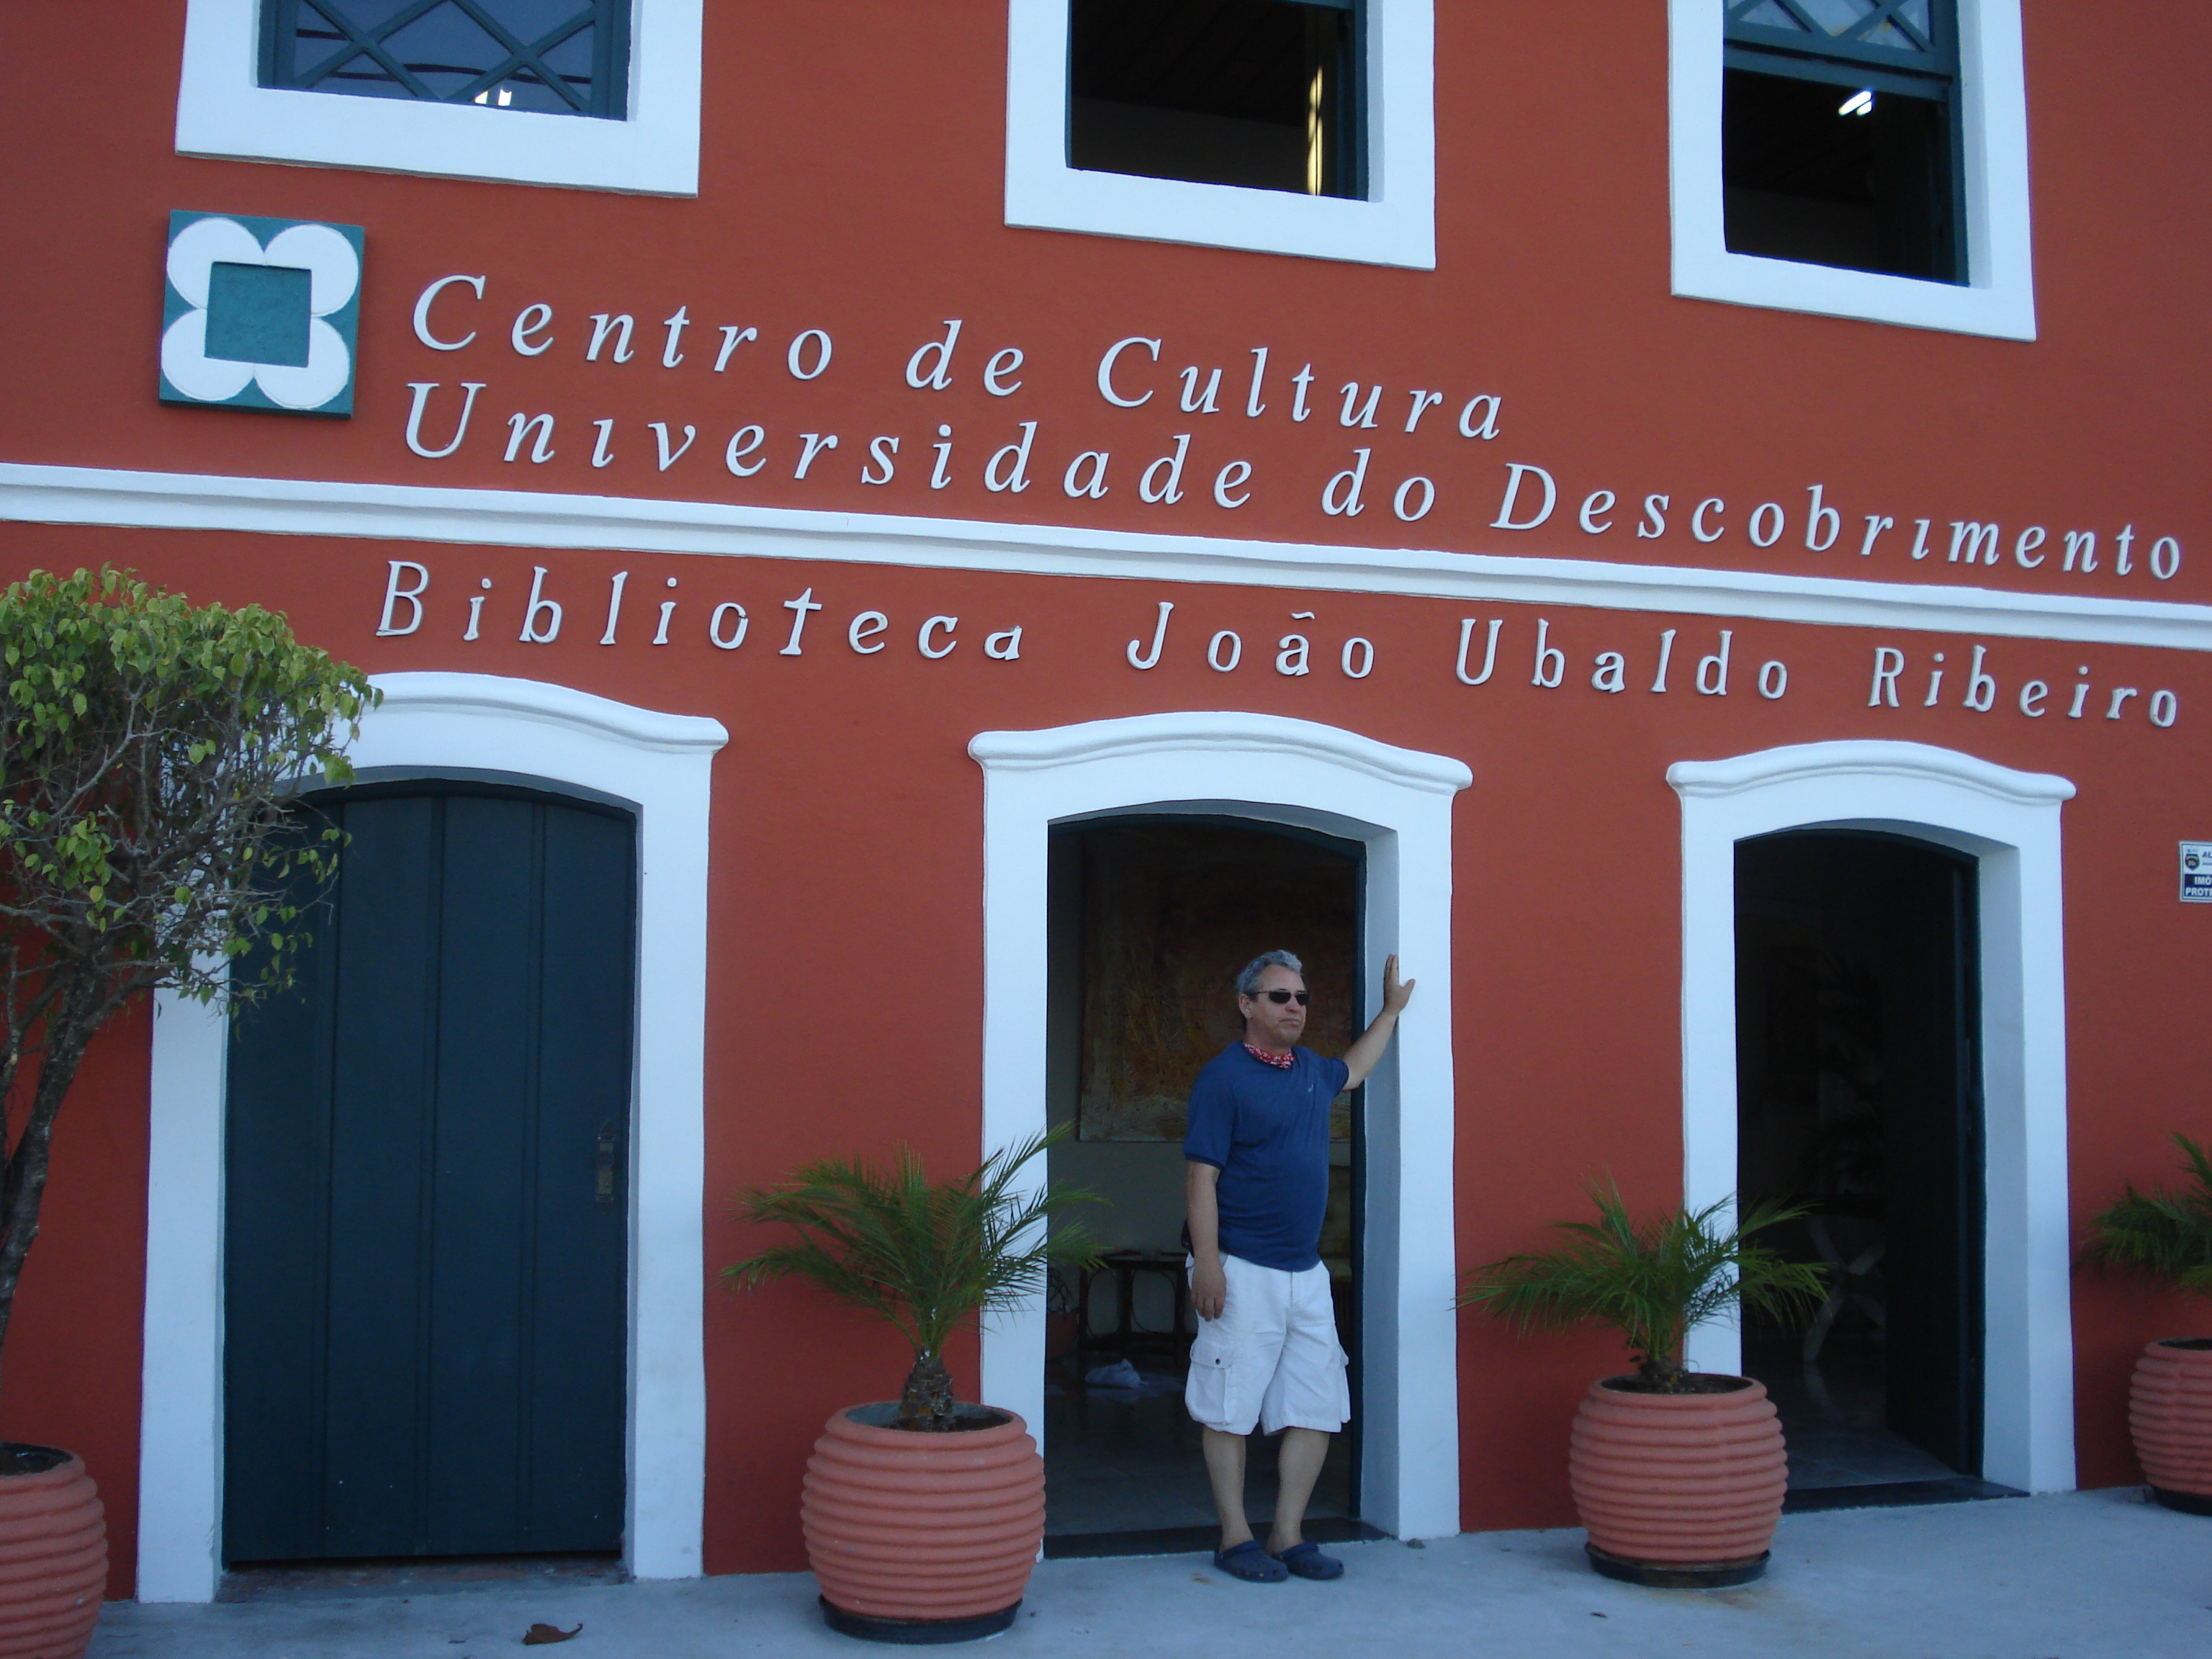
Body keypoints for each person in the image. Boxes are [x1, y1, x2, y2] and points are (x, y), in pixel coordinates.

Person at [1183, 948, 1413, 1583]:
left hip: (1305, 1276)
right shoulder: (1223, 1079)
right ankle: (1236, 1539)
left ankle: (1288, 1536)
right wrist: (1208, 1263)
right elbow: (1202, 1175)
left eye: (1302, 998)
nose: (1293, 1007)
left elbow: (1356, 1069)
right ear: (1247, 1005)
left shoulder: (1312, 1072)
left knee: (1316, 1404)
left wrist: (1391, 1013)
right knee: (1228, 1403)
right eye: (1279, 996)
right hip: (1240, 1267)